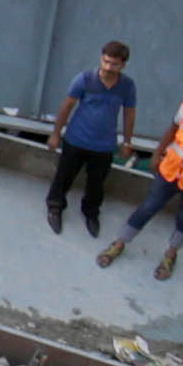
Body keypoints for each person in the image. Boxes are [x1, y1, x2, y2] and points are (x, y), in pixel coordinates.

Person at [100, 82, 183, 281]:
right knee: (147, 207)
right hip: (169, 173)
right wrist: (157, 153)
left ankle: (171, 254)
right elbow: (172, 130)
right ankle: (120, 242)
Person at [46, 41, 136, 237]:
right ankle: (55, 207)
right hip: (76, 140)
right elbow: (67, 106)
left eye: (114, 64)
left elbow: (129, 114)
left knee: (96, 184)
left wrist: (127, 141)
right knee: (64, 177)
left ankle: (91, 213)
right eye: (105, 61)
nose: (108, 67)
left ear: (123, 65)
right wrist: (55, 134)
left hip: (104, 146)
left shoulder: (127, 86)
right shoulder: (84, 79)